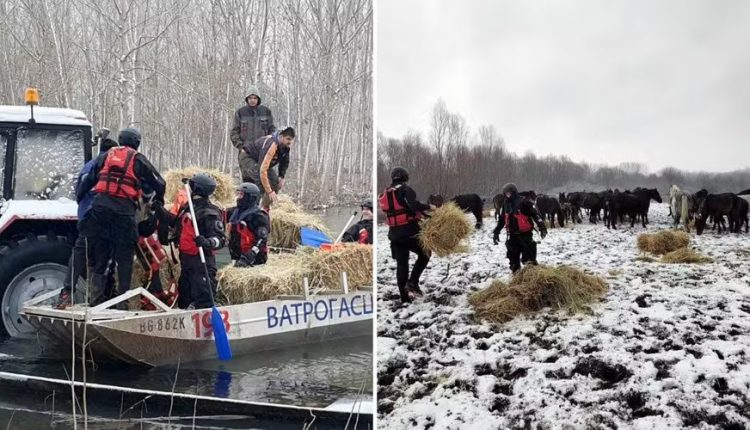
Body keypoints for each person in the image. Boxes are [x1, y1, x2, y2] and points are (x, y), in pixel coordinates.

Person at [78, 128, 166, 308]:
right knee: (124, 258)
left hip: (100, 210)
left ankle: (95, 301)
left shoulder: (106, 156)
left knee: (99, 254)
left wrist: (80, 197)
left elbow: (89, 179)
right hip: (124, 213)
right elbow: (160, 182)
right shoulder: (138, 158)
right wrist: (159, 201)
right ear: (137, 142)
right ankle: (122, 303)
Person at [55, 136, 119, 308]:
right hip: (103, 220)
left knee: (79, 254)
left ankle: (67, 293)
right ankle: (96, 300)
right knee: (102, 260)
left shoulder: (87, 167)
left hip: (84, 218)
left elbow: (79, 193)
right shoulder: (111, 167)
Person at [157, 173, 226, 309]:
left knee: (203, 298)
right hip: (187, 261)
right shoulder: (188, 207)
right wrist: (161, 211)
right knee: (185, 298)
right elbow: (175, 223)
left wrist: (207, 242)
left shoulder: (209, 212)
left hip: (201, 262)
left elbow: (221, 239)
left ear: (197, 189)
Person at [379, 167, 432, 303]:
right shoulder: (406, 189)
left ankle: (404, 297)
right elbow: (413, 206)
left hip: (394, 234)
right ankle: (413, 282)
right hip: (409, 232)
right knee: (425, 253)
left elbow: (398, 209)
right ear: (405, 177)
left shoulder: (386, 192)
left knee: (402, 264)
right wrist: (428, 207)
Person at [493, 183, 547, 273]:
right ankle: (517, 276)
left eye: (509, 193)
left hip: (525, 235)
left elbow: (536, 215)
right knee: (513, 262)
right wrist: (496, 233)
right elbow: (502, 220)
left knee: (528, 260)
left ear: (514, 192)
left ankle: (534, 277)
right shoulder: (505, 204)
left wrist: (542, 228)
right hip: (513, 235)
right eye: (506, 194)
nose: (507, 195)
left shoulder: (524, 202)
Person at [240, 127, 295, 209]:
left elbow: (285, 162)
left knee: (275, 183)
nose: (290, 142)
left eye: (291, 140)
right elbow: (262, 171)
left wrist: (281, 176)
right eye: (288, 139)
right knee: (261, 184)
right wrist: (269, 192)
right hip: (248, 157)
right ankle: (254, 209)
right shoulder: (272, 145)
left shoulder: (286, 147)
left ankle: (265, 208)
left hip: (261, 162)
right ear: (281, 137)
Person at [230, 86, 275, 180]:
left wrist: (270, 145)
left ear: (258, 99)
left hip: (262, 152)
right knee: (248, 180)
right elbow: (234, 132)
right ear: (247, 99)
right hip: (246, 152)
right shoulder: (240, 113)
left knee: (263, 179)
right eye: (250, 98)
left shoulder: (266, 112)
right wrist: (241, 147)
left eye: (255, 98)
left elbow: (272, 130)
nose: (252, 100)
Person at [227, 182, 270, 267]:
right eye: (238, 194)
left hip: (254, 261)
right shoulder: (234, 211)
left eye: (241, 195)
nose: (238, 198)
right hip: (236, 257)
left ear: (250, 197)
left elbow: (261, 240)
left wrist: (249, 256)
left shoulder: (259, 216)